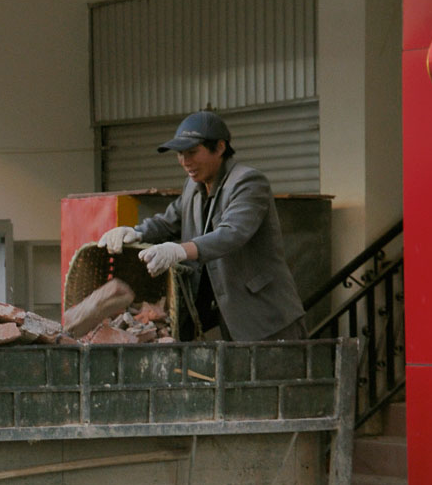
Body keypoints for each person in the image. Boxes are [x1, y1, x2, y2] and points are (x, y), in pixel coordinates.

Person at [98, 111, 306, 342]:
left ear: (219, 148)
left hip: (266, 318)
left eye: (192, 153)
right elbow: (169, 220)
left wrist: (179, 250)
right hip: (224, 318)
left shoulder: (248, 182)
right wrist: (135, 232)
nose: (185, 162)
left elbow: (231, 233)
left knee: (276, 377)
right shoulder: (193, 185)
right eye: (180, 155)